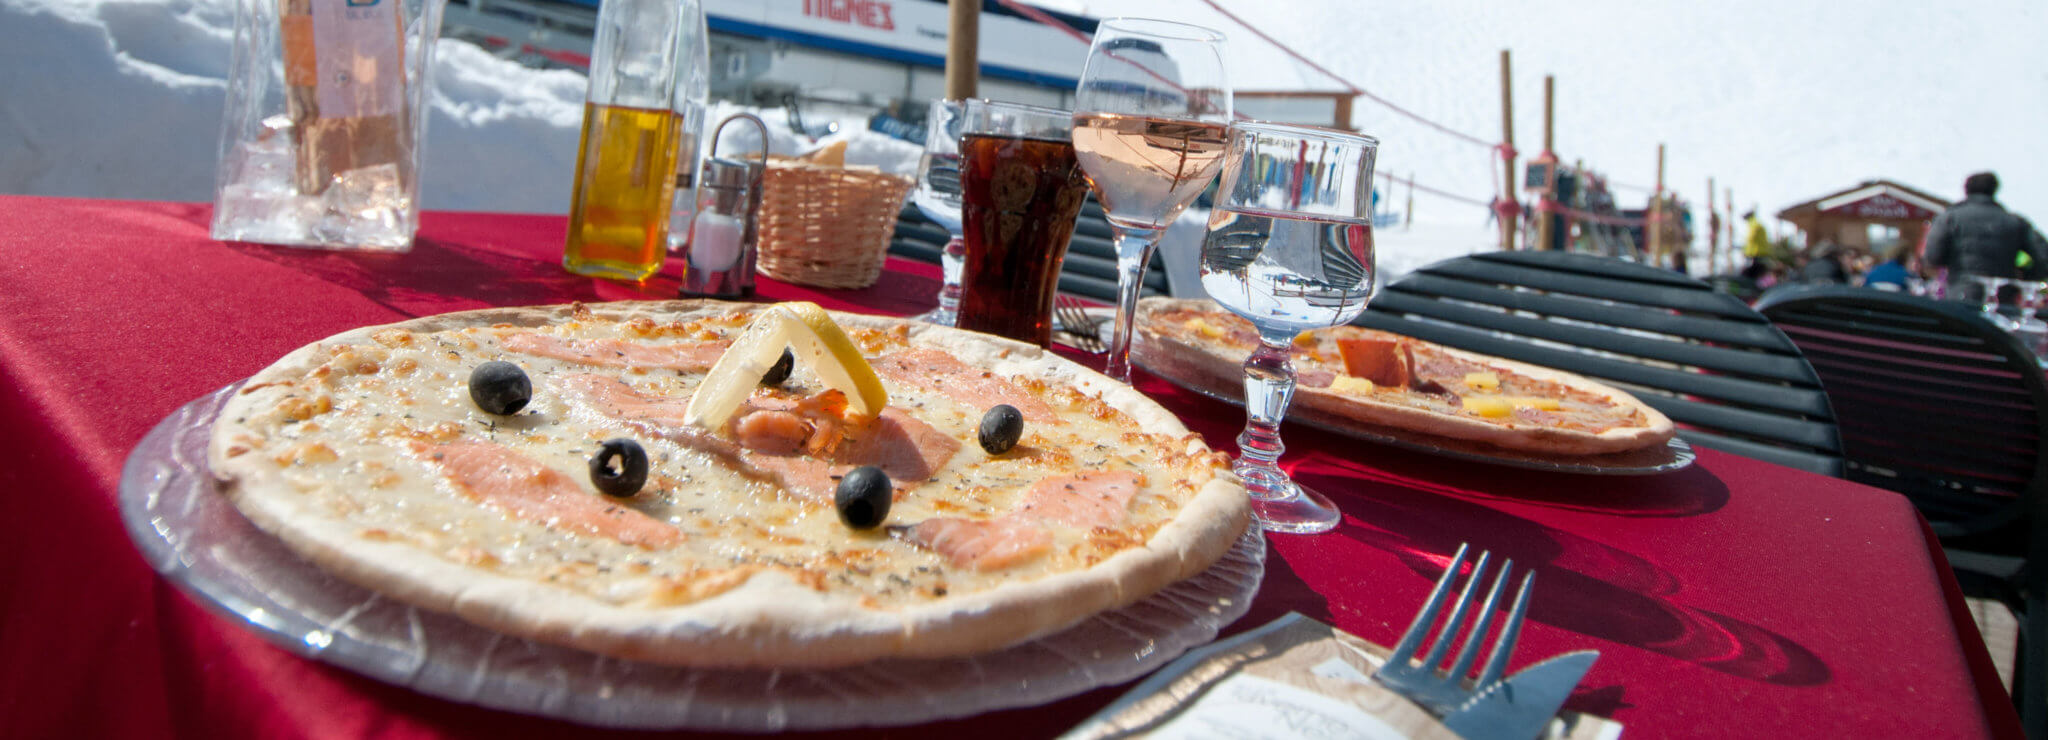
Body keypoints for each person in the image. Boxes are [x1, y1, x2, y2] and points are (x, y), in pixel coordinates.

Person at [1923, 171, 2048, 301]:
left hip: (1960, 295)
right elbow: (2044, 255)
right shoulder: (2014, 222)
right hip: (2001, 298)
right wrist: (2026, 277)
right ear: (1994, 190)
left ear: (1966, 190)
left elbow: (1933, 257)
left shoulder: (1950, 218)